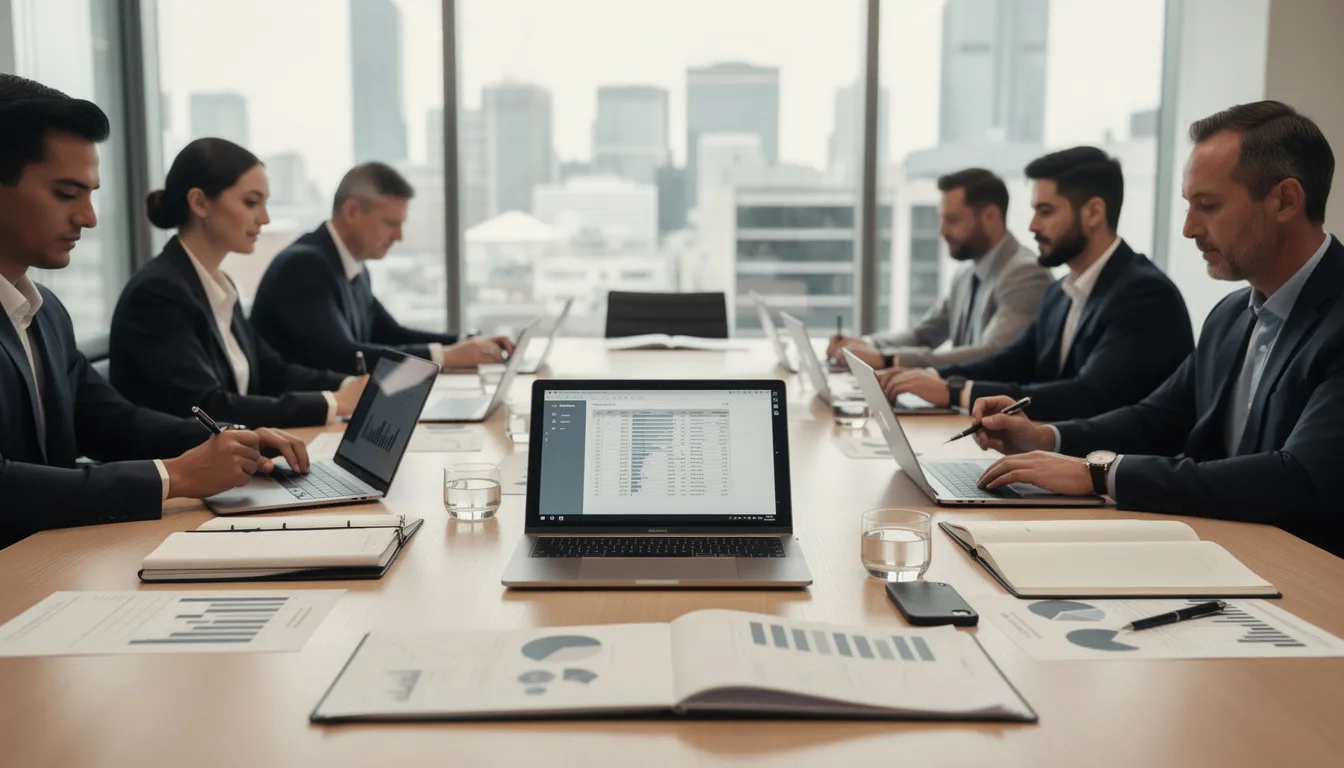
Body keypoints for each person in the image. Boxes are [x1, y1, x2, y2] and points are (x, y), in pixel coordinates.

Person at [972, 101, 1342, 558]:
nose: (1188, 228)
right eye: (1189, 206)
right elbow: (1156, 417)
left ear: (1285, 200)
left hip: (1307, 578)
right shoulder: (1230, 315)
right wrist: (1047, 438)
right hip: (1219, 550)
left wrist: (1099, 475)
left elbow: (1298, 478)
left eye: (1207, 206)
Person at [0, 74, 309, 549]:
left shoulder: (45, 312)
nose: (89, 217)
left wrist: (232, 440)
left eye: (90, 194)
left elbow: (110, 421)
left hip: (46, 564)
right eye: (66, 194)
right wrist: (172, 477)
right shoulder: (156, 291)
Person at [879, 147, 1193, 421]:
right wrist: (926, 377)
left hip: (1114, 482)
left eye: (1045, 212)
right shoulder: (1060, 293)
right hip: (1060, 463)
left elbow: (1088, 395)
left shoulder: (1144, 295)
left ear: (1094, 212)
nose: (1032, 226)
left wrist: (955, 392)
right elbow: (1007, 362)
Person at [110, 139, 368, 428]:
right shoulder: (157, 293)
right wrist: (334, 403)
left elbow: (270, 369)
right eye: (251, 202)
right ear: (200, 203)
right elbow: (205, 407)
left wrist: (350, 385)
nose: (265, 218)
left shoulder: (218, 283)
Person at [250, 162, 512, 376]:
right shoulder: (303, 267)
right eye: (390, 223)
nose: (399, 236)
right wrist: (446, 356)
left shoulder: (351, 264)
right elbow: (343, 358)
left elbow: (389, 334)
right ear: (352, 211)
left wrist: (465, 341)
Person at [827, 168, 1052, 369]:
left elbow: (992, 353)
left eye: (952, 220)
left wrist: (888, 360)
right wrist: (866, 344)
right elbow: (924, 335)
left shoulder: (1026, 274)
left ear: (990, 216)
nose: (942, 232)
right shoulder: (965, 274)